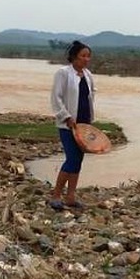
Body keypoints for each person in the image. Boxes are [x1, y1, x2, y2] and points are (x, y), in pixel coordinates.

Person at [49, 40, 95, 210]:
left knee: (78, 161)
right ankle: (56, 195)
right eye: (83, 56)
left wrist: (90, 121)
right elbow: (56, 97)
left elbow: (90, 97)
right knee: (72, 159)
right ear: (74, 57)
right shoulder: (63, 73)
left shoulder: (88, 75)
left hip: (84, 124)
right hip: (68, 125)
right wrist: (66, 117)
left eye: (88, 56)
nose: (86, 59)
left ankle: (70, 196)